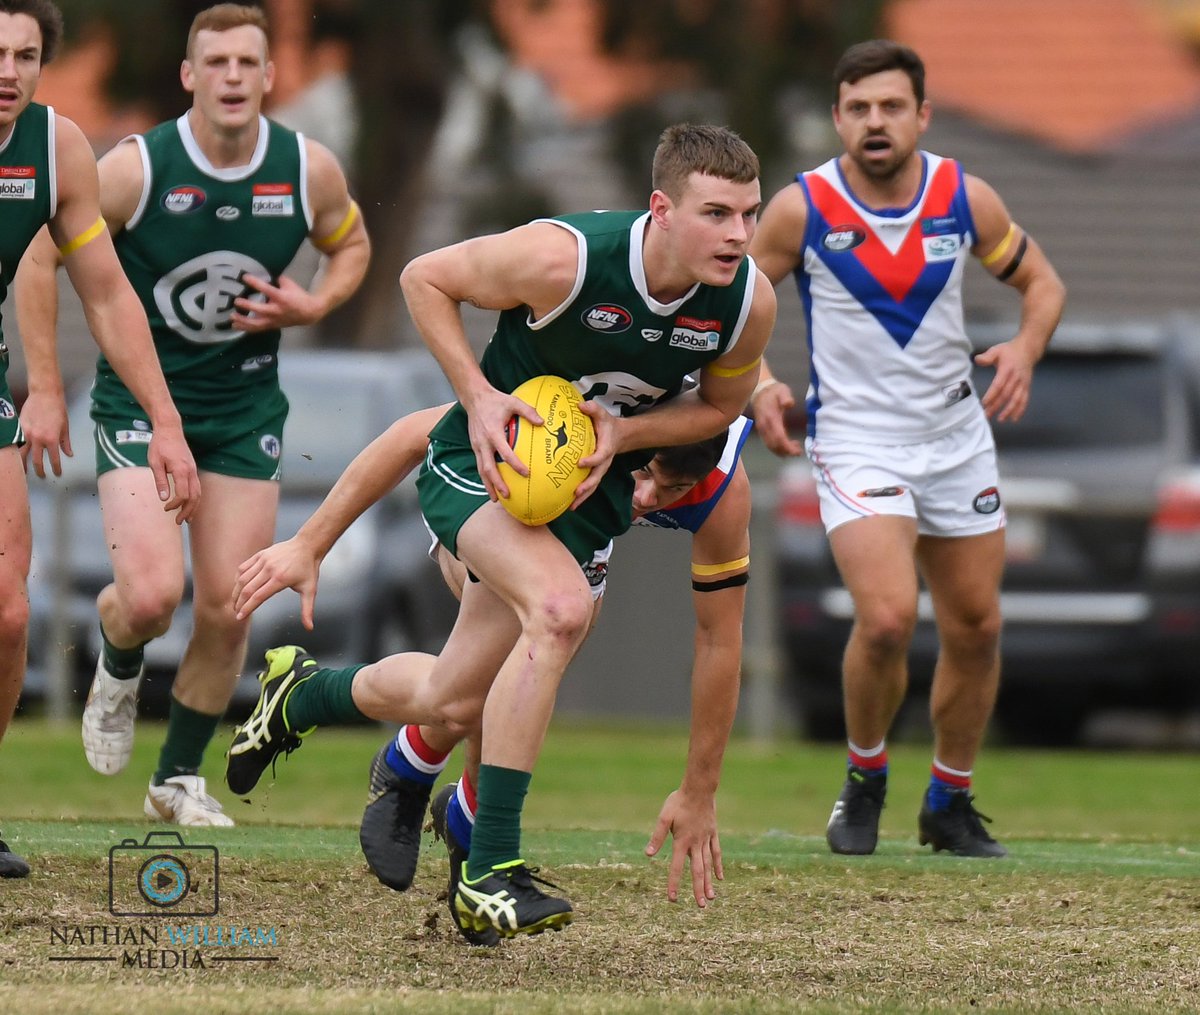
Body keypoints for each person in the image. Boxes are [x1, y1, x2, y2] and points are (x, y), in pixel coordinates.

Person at [226, 122, 775, 937]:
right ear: (661, 208)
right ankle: (490, 867)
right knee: (558, 611)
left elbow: (725, 406)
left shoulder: (746, 304)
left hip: (578, 500)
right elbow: (422, 277)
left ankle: (301, 694)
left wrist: (623, 438)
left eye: (750, 215)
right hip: (475, 467)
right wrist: (479, 399)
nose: (738, 235)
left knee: (453, 696)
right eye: (718, 214)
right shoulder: (564, 259)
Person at [14, 2, 369, 828]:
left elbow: (351, 244)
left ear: (271, 76)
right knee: (147, 594)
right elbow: (40, 255)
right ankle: (120, 650)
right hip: (140, 406)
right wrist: (44, 382)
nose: (233, 79)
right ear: (189, 76)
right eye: (217, 64)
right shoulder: (140, 168)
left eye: (248, 63)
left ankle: (176, 778)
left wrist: (314, 304)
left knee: (229, 604)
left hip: (245, 410)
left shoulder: (305, 168)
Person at [228, 402, 753, 944]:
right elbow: (411, 435)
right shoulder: (584, 402)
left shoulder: (721, 491)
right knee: (478, 685)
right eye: (643, 474)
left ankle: (415, 777)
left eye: (672, 490)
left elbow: (720, 638)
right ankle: (433, 801)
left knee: (515, 676)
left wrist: (699, 789)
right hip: (486, 503)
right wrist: (311, 542)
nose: (647, 499)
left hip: (580, 540)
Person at [748, 40, 1066, 858]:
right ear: (837, 119)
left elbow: (1044, 285)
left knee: (977, 625)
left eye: (891, 106)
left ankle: (948, 802)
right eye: (859, 108)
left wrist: (1026, 348)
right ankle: (865, 777)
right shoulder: (801, 208)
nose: (875, 122)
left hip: (957, 439)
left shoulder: (964, 197)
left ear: (923, 114)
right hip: (855, 441)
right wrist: (757, 388)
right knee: (886, 617)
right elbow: (729, 311)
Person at [0, 0, 200, 878]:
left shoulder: (56, 149)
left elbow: (109, 293)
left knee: (9, 614)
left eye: (24, 54)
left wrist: (164, 421)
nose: (6, 70)